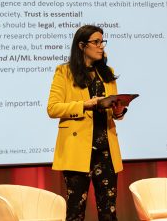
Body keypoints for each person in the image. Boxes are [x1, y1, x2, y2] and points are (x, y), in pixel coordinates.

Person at [47, 25, 127, 221]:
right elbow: (53, 108)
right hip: (78, 150)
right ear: (82, 46)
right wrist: (84, 105)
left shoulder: (107, 73)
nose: (101, 46)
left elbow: (111, 110)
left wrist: (118, 111)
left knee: (108, 212)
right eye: (96, 42)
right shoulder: (65, 72)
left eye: (102, 42)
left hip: (105, 150)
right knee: (76, 212)